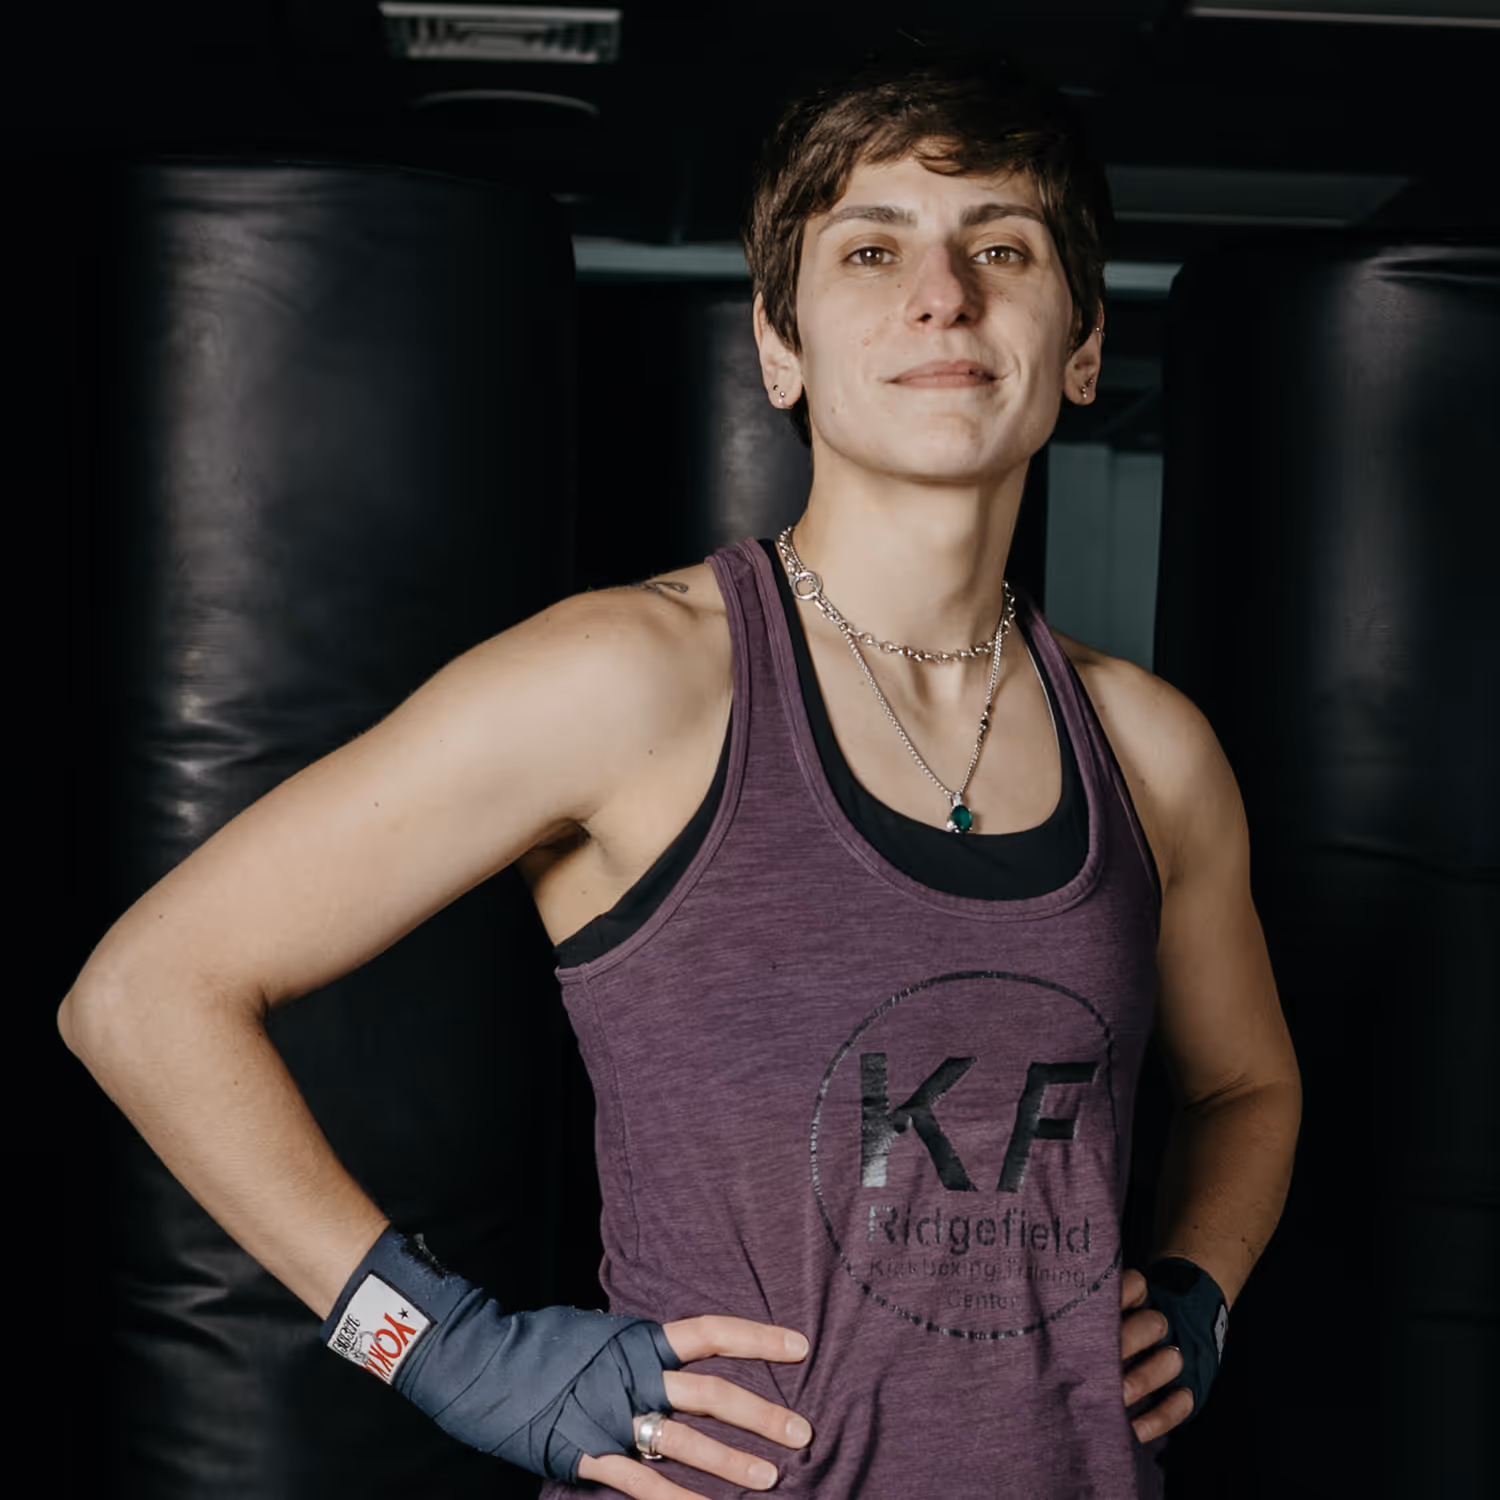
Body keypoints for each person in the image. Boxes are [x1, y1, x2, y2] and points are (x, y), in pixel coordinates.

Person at [58, 47, 1301, 1500]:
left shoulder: (1150, 747)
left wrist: (1201, 1288)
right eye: (872, 247)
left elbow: (1250, 1088)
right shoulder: (635, 679)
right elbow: (141, 997)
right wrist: (442, 1348)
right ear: (779, 345)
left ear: (1082, 344)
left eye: (1003, 248)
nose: (943, 296)